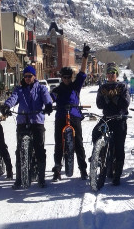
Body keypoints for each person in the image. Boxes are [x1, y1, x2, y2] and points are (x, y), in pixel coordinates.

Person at [4, 65, 53, 189]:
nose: (27, 78)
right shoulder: (19, 89)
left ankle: (41, 178)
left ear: (34, 76)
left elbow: (47, 97)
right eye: (25, 76)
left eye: (29, 76)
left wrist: (48, 105)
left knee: (39, 149)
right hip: (22, 120)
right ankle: (19, 179)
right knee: (19, 150)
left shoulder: (41, 88)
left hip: (37, 121)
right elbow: (13, 98)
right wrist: (7, 106)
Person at [50, 43, 91, 181]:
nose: (67, 79)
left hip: (74, 115)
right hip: (61, 115)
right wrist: (48, 104)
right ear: (61, 77)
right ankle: (57, 169)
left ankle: (83, 170)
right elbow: (51, 97)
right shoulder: (57, 89)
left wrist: (85, 56)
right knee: (59, 144)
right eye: (65, 77)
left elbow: (83, 73)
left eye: (69, 77)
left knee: (78, 143)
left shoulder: (75, 87)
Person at [94, 63, 131, 186]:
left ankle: (117, 175)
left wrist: (113, 99)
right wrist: (106, 99)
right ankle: (98, 156)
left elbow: (125, 103)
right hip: (107, 118)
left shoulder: (123, 86)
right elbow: (99, 104)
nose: (110, 76)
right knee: (96, 132)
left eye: (113, 74)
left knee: (119, 146)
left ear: (116, 75)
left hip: (119, 119)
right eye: (108, 74)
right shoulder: (102, 87)